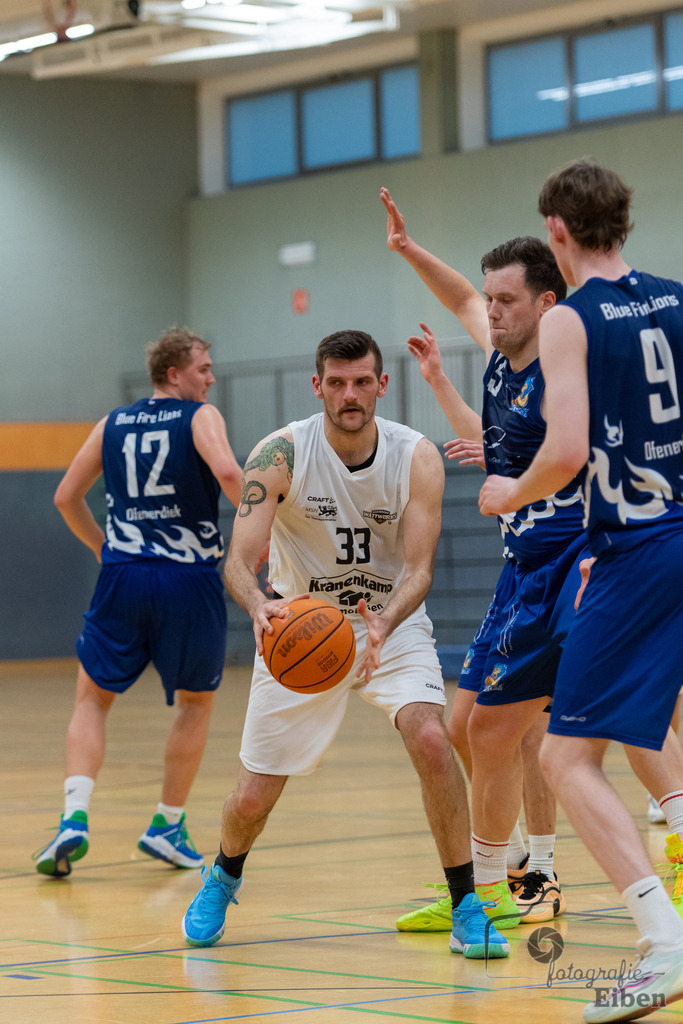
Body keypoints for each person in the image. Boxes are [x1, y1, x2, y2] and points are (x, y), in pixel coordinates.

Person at [181, 328, 509, 959]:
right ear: (318, 386)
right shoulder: (278, 454)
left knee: (432, 735)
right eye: (337, 382)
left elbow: (419, 570)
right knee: (253, 796)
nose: (350, 393)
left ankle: (467, 903)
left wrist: (384, 620)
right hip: (298, 626)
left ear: (383, 385)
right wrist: (260, 605)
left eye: (363, 381)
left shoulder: (416, 456)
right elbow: (237, 562)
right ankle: (222, 875)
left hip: (389, 619)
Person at [479, 158, 683, 1023]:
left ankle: (664, 945)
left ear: (555, 233)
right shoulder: (674, 297)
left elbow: (562, 454)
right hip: (672, 530)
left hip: (637, 547)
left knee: (564, 756)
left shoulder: (568, 320)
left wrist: (505, 491)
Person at [381, 187, 589, 932]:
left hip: (569, 562)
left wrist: (508, 482)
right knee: (481, 729)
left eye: (508, 301)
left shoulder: (564, 365)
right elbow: (465, 294)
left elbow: (563, 457)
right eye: (492, 300)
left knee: (552, 730)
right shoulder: (502, 358)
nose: (492, 310)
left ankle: (529, 875)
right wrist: (407, 251)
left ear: (544, 304)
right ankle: (504, 875)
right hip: (519, 568)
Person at [34, 327, 243, 878]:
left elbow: (64, 496)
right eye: (203, 368)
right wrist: (262, 532)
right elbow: (226, 472)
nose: (211, 377)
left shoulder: (112, 423)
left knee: (91, 700)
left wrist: (104, 547)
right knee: (195, 704)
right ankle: (166, 825)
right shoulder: (200, 418)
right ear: (174, 373)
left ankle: (73, 818)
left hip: (122, 576)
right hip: (187, 577)